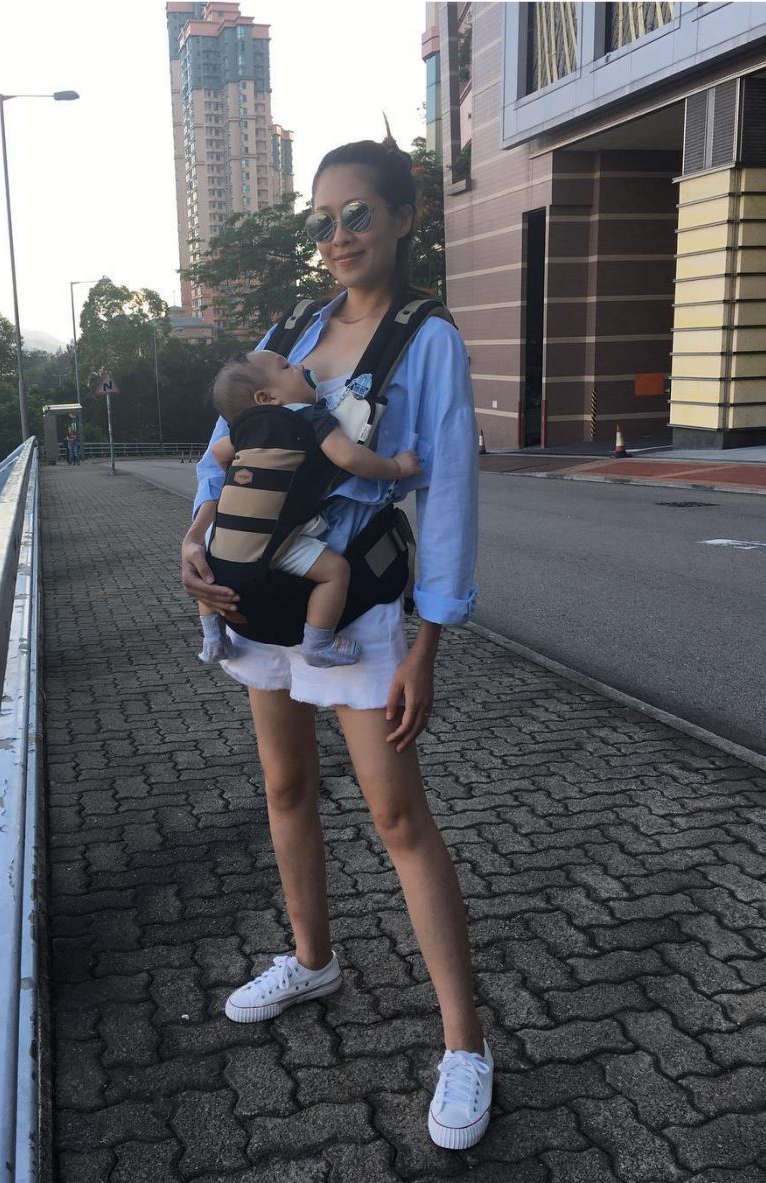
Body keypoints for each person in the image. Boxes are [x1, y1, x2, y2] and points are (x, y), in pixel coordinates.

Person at [180, 132, 491, 1152]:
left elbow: (446, 489)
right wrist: (194, 535)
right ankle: (311, 959)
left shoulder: (424, 339)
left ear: (403, 216)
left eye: (357, 213)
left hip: (351, 607)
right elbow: (220, 457)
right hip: (258, 601)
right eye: (323, 220)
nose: (338, 235)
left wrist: (428, 641)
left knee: (397, 815)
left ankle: (465, 1043)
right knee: (284, 787)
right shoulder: (290, 329)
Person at [198, 347, 421, 667]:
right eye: (286, 366)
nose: (300, 365)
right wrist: (397, 467)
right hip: (276, 542)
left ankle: (213, 638)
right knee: (335, 571)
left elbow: (220, 454)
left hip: (224, 537)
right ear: (267, 398)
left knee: (209, 569)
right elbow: (349, 457)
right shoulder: (308, 416)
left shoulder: (245, 430)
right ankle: (318, 642)